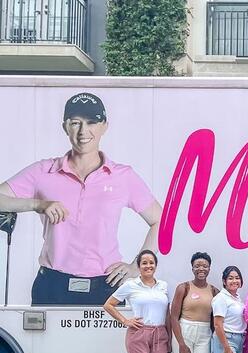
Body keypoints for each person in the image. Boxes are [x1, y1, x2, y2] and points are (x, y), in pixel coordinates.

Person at [0, 92, 162, 306]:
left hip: (107, 285)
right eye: (75, 122)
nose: (83, 131)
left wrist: (136, 266)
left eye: (91, 122)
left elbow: (161, 220)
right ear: (65, 127)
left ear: (104, 126)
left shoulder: (123, 176)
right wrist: (38, 204)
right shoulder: (44, 171)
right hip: (52, 284)